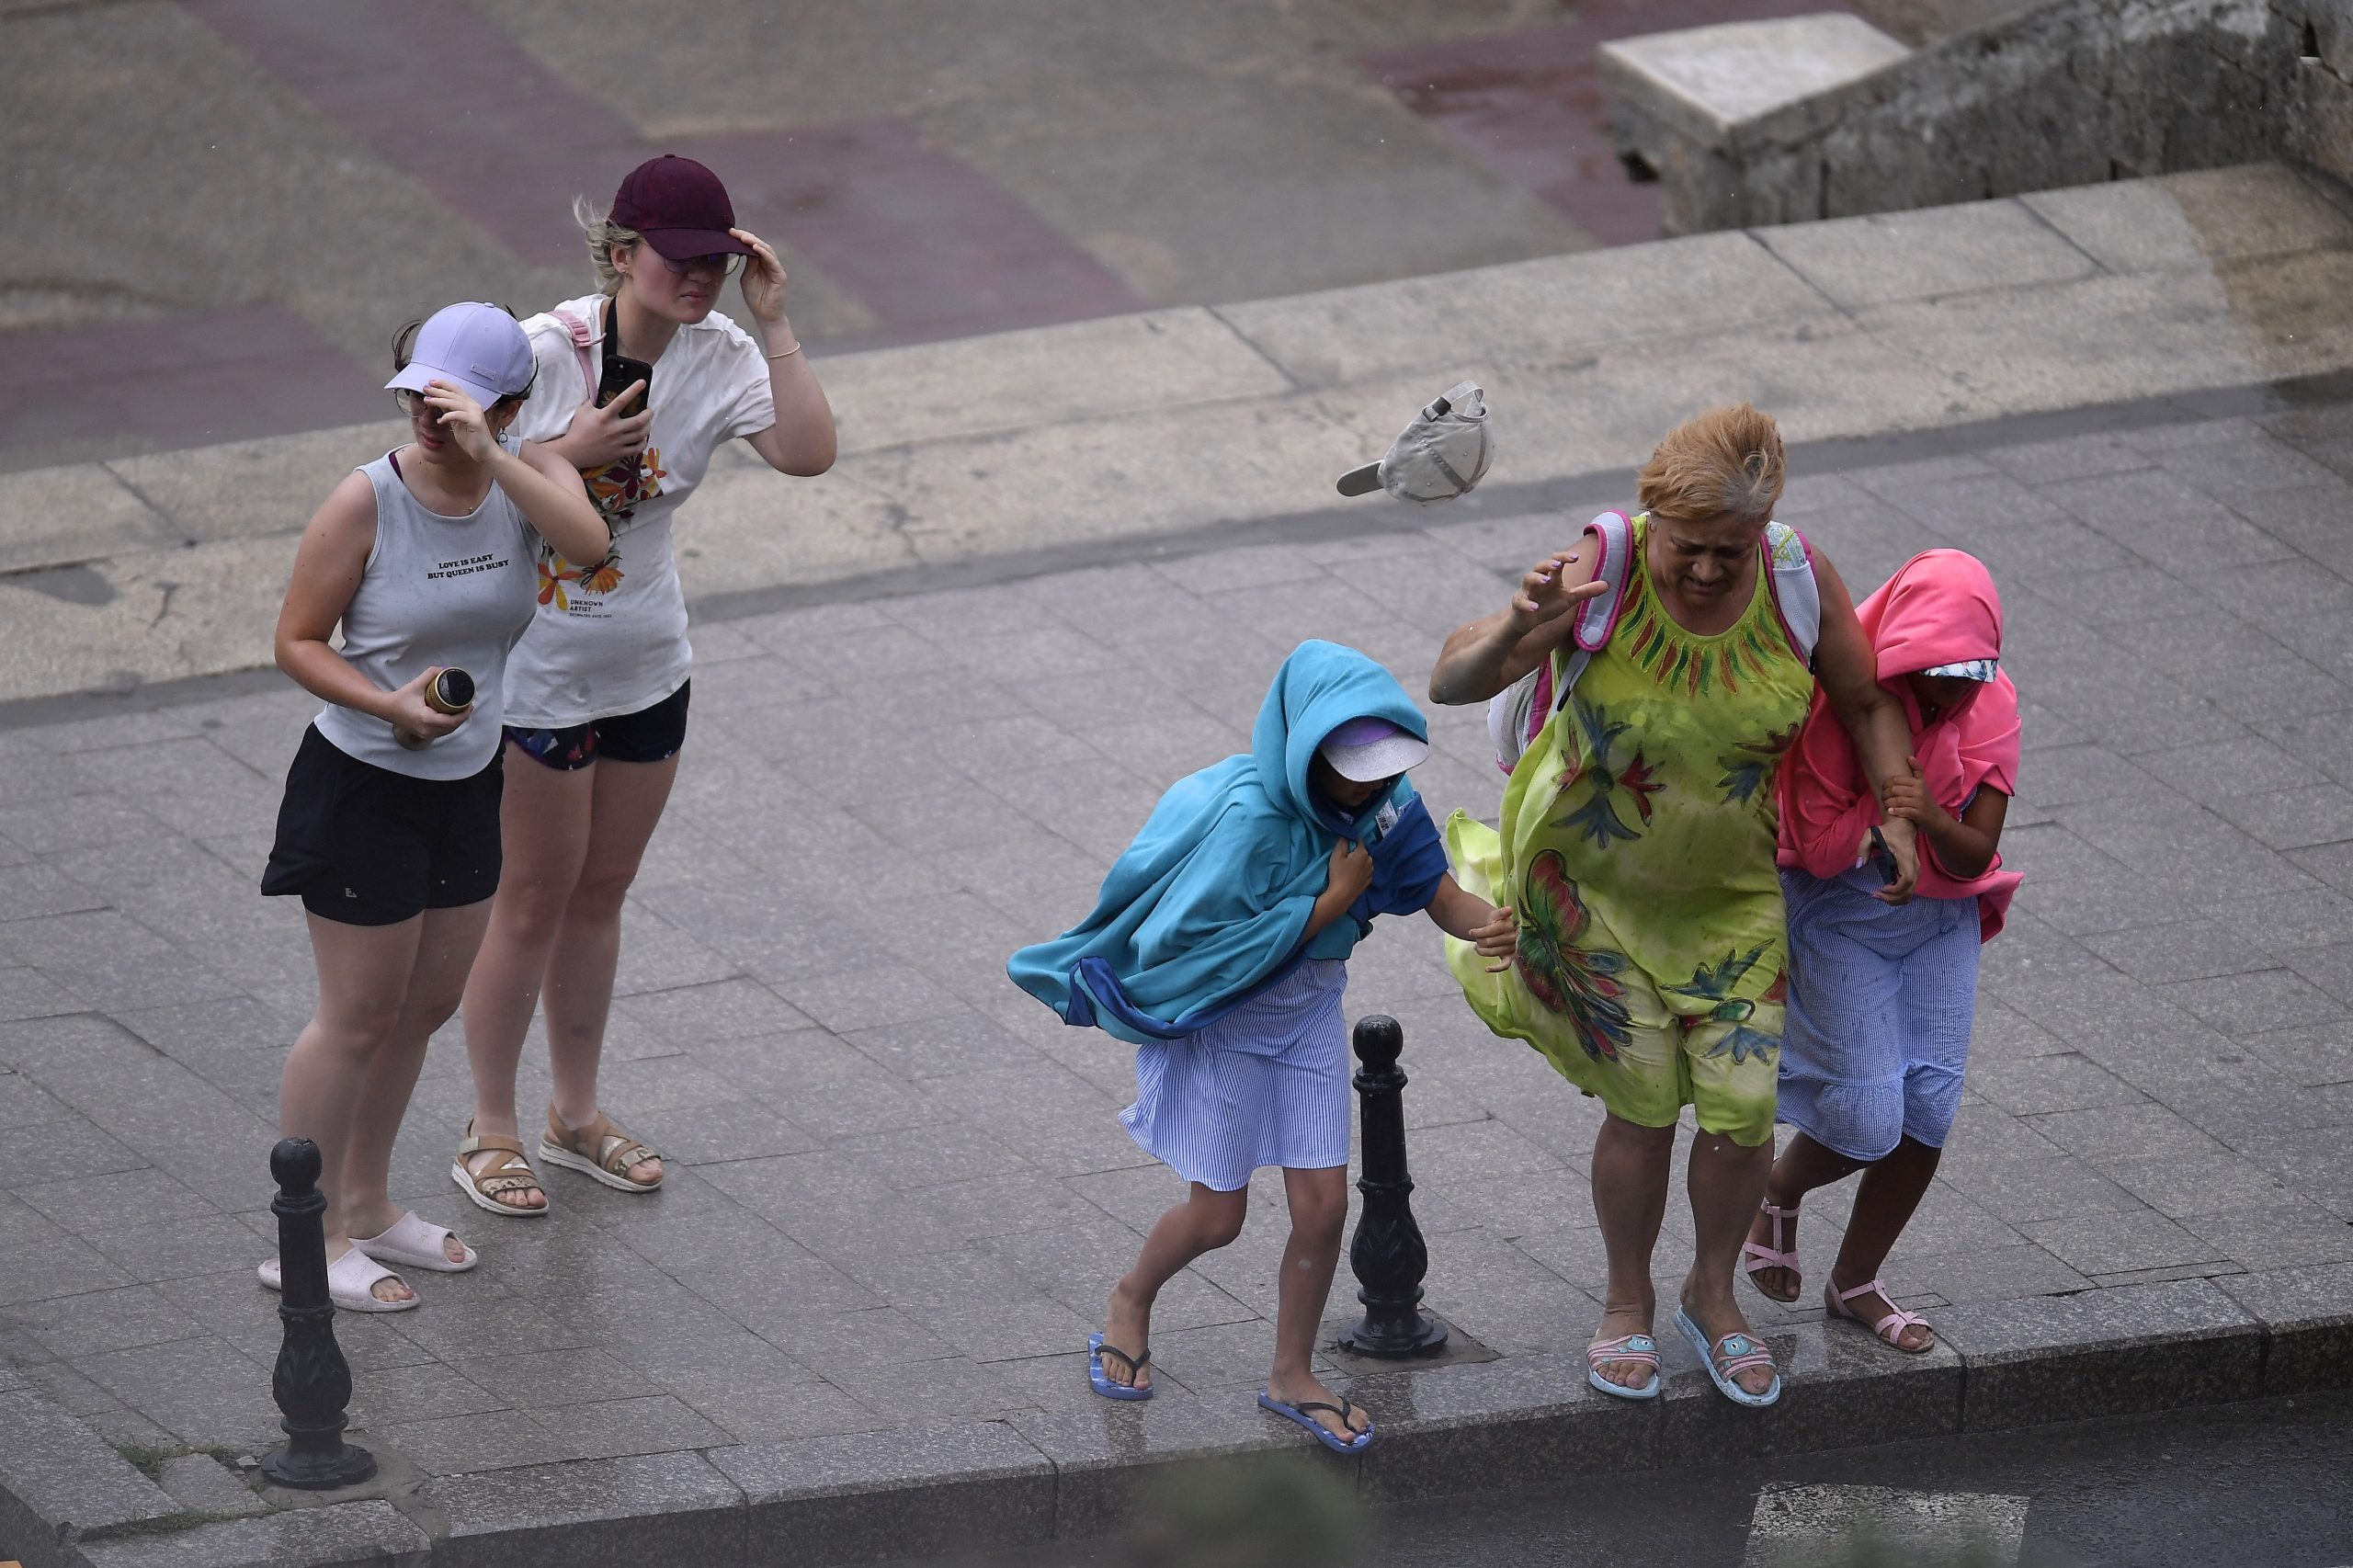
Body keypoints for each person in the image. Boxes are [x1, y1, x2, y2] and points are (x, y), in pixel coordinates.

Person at [1427, 404, 1922, 1408]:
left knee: (1742, 1115)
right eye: (1688, 550)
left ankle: (1712, 1293)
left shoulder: (1794, 577)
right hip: (1591, 893)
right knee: (1644, 1104)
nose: (1706, 570)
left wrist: (1900, 812)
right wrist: (1523, 624)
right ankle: (1624, 1302)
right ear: (1655, 522)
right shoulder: (1601, 566)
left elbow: (1865, 698)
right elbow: (1450, 679)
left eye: (1727, 553)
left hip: (1731, 897)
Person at [1008, 642, 1518, 1452]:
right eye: (1350, 765)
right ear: (1303, 748)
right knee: (1217, 1217)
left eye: (1384, 763)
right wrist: (1327, 905)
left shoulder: (1388, 807)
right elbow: (1202, 955)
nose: (1370, 783)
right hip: (1227, 1029)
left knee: (1325, 1209)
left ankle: (1291, 1374)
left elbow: (1438, 893)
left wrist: (1486, 923)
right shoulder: (1247, 820)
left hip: (1309, 1019)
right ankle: (1129, 1300)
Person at [454, 155, 836, 1216]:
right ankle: (487, 1127)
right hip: (536, 670)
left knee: (601, 892)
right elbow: (447, 475)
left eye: (716, 260)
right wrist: (561, 451)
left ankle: (574, 1115)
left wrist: (776, 322)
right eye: (680, 259)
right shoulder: (539, 353)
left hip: (646, 665)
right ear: (621, 255)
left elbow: (809, 452)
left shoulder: (720, 355)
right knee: (528, 898)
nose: (700, 278)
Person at [258, 303, 610, 1311]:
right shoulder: (362, 501)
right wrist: (388, 706)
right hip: (362, 784)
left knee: (425, 1004)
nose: (427, 415)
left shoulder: (529, 474)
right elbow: (297, 639)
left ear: (503, 405)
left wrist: (490, 457)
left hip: (468, 783)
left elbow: (586, 548)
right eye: (415, 394)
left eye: (451, 399)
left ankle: (366, 1205)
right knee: (357, 1013)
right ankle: (305, 1235)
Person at [1742, 550, 2021, 1353]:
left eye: (1973, 671)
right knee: (1867, 1113)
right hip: (1837, 917)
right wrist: (1877, 817)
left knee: (1929, 1108)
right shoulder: (1830, 715)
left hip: (1940, 923)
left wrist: (1929, 817)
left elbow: (1974, 856)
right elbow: (1817, 852)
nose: (1956, 691)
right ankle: (1777, 1189)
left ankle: (1856, 1280)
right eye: (1938, 673)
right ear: (1899, 654)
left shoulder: (1992, 706)